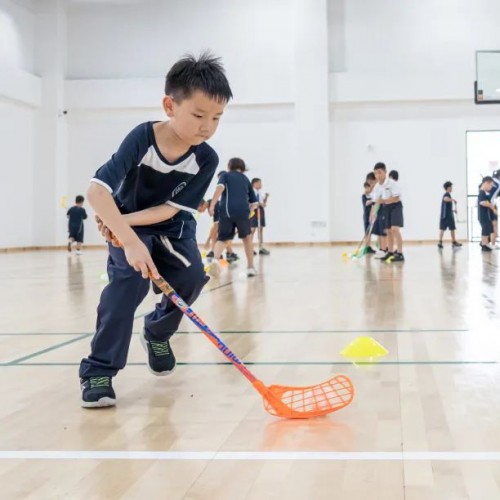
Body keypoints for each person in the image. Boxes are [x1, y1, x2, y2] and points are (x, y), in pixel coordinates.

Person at [78, 52, 233, 408]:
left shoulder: (206, 158)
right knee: (125, 287)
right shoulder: (142, 139)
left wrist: (121, 223)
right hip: (127, 227)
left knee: (192, 277)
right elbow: (97, 191)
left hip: (171, 229)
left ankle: (157, 331)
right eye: (198, 115)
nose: (207, 126)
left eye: (216, 118)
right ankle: (98, 370)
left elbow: (169, 209)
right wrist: (129, 239)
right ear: (169, 105)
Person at [207, 157, 258, 277]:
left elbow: (219, 188)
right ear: (242, 167)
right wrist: (247, 211)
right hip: (243, 212)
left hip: (226, 212)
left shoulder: (226, 175)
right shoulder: (246, 179)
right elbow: (254, 203)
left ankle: (215, 260)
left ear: (229, 166)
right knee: (247, 238)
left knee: (223, 238)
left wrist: (212, 205)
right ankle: (250, 267)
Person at [383, 170, 404, 262]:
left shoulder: (396, 185)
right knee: (388, 231)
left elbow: (396, 198)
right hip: (387, 208)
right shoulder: (384, 186)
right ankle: (390, 252)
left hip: (396, 206)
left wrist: (385, 200)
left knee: (395, 229)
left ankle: (400, 253)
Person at [370, 163, 389, 258]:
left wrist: (383, 200)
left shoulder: (389, 184)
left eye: (379, 173)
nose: (378, 175)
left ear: (385, 172)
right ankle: (382, 250)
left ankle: (386, 250)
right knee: (380, 231)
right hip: (380, 210)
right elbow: (375, 201)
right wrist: (373, 213)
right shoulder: (377, 186)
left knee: (385, 232)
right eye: (376, 173)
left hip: (388, 210)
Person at [438, 181, 462, 249]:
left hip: (448, 215)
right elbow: (445, 199)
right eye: (451, 187)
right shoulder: (446, 194)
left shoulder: (448, 195)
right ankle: (440, 242)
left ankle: (453, 242)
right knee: (445, 229)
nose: (452, 188)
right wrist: (453, 200)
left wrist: (453, 210)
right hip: (446, 216)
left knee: (451, 229)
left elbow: (447, 207)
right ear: (448, 188)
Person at [250, 177, 270, 255]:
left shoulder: (259, 193)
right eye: (259, 183)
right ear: (254, 184)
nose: (261, 185)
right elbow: (252, 202)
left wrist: (266, 198)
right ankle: (250, 248)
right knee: (252, 230)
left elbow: (263, 204)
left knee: (260, 230)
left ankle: (261, 247)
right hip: (254, 212)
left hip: (260, 211)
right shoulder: (251, 192)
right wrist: (258, 204)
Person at [478, 176, 496, 252]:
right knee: (485, 230)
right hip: (483, 215)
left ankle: (485, 244)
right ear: (486, 183)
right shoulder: (482, 192)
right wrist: (492, 207)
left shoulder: (484, 193)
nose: (491, 187)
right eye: (491, 185)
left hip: (486, 215)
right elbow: (482, 202)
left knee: (487, 229)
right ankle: (484, 245)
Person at [361, 180, 376, 254]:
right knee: (366, 232)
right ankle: (366, 247)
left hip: (371, 216)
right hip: (366, 216)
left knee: (370, 232)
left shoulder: (372, 195)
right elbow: (366, 203)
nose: (367, 189)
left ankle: (369, 247)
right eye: (365, 188)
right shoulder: (364, 196)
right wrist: (373, 200)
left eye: (368, 187)